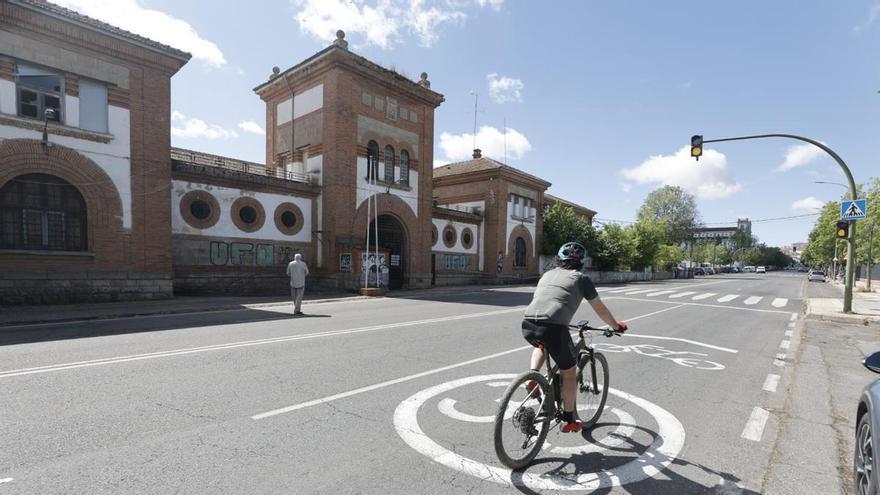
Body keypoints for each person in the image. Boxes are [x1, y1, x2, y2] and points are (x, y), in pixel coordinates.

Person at [521, 242, 628, 433]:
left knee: (540, 344)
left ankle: (533, 377)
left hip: (528, 323)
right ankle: (569, 419)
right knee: (569, 373)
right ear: (582, 262)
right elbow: (601, 309)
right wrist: (616, 326)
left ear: (559, 259)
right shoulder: (581, 279)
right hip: (553, 327)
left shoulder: (547, 275)